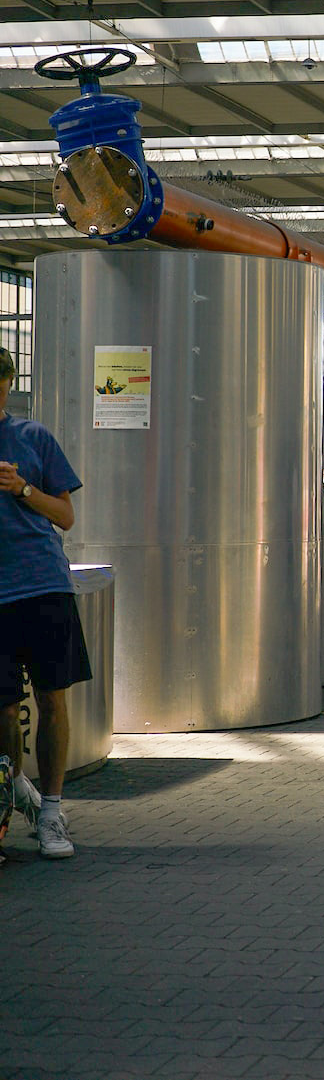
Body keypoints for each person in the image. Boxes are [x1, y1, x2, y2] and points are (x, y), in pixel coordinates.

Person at [0, 346, 87, 858]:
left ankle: (51, 810)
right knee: (4, 709)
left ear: (8, 385)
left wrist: (23, 488)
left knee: (53, 697)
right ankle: (11, 803)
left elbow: (66, 516)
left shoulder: (34, 437)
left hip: (42, 585)